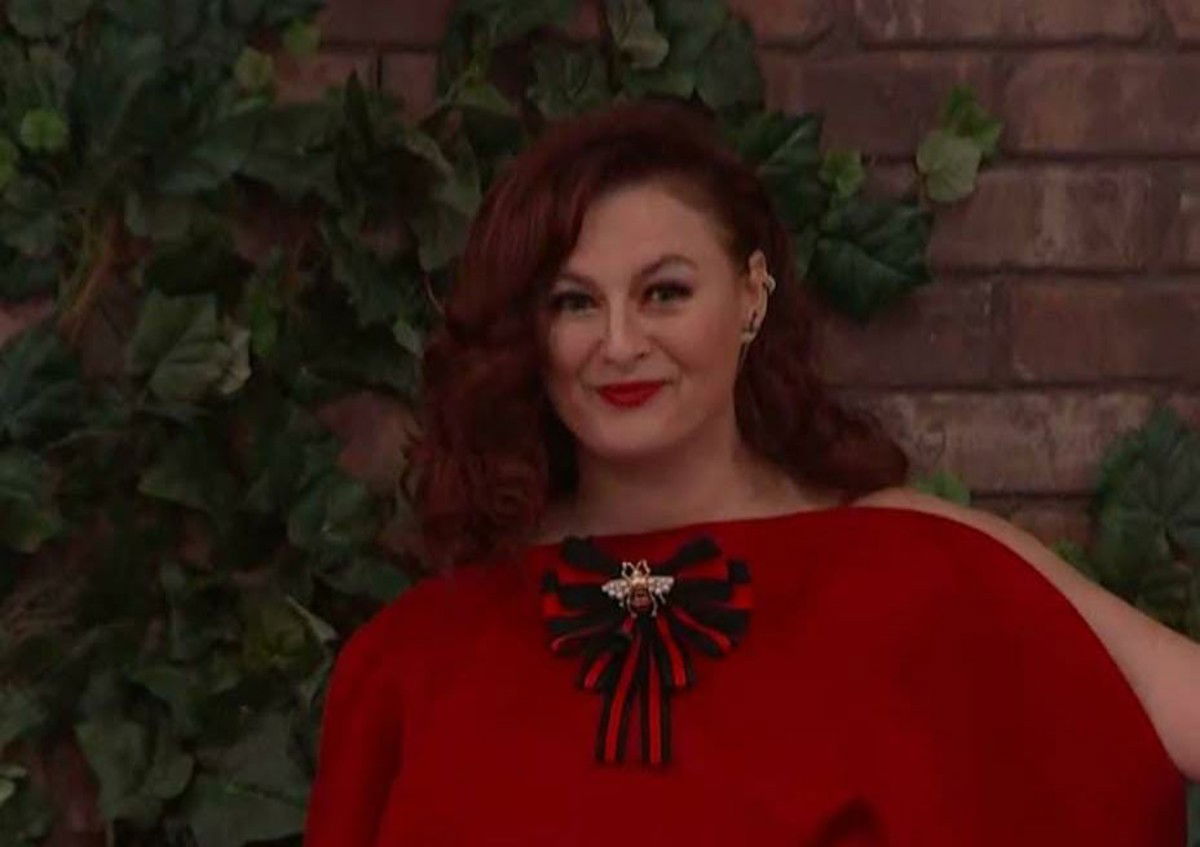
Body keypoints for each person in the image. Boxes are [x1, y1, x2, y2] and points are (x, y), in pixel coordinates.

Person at [302, 99, 1196, 845]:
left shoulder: (917, 559)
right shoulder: (418, 655)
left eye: (664, 292)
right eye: (574, 302)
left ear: (752, 294)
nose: (620, 343)